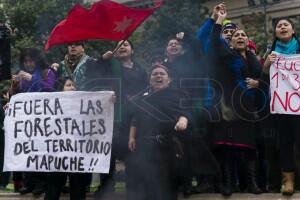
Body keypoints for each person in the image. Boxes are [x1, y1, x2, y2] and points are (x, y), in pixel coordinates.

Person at [208, 9, 263, 196]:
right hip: (230, 108)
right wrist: (219, 21)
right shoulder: (227, 56)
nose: (239, 36)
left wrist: (259, 83)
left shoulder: (255, 60)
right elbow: (215, 42)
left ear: (247, 41)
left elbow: (264, 79)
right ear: (230, 42)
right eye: (236, 35)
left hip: (249, 109)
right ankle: (229, 184)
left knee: (249, 148)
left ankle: (252, 183)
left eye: (243, 35)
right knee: (228, 147)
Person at [87, 40, 148, 198]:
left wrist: (138, 98)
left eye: (126, 44)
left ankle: (133, 188)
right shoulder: (108, 65)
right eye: (119, 45)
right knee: (109, 153)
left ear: (132, 50)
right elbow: (92, 77)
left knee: (132, 151)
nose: (122, 47)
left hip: (133, 116)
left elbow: (146, 89)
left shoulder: (140, 69)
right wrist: (103, 59)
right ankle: (107, 187)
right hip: (112, 116)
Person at [127, 64, 191, 200]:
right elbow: (135, 118)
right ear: (150, 79)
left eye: (162, 74)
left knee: (168, 182)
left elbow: (184, 112)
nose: (158, 76)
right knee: (147, 182)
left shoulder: (177, 95)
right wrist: (131, 137)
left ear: (169, 79)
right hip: (145, 145)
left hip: (168, 145)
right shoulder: (142, 98)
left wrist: (183, 121)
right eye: (155, 74)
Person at [262, 18, 300, 196]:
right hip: (282, 108)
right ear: (276, 32)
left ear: (293, 30)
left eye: (286, 25)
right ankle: (288, 181)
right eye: (279, 26)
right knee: (285, 143)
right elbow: (263, 75)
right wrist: (268, 63)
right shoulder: (271, 52)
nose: (282, 27)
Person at [11, 47, 56, 196]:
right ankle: (29, 183)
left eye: (31, 61)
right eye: (26, 61)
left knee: (41, 151)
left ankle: (41, 184)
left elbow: (50, 90)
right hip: (28, 121)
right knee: (28, 151)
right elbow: (17, 96)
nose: (29, 64)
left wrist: (33, 79)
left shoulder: (48, 72)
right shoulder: (23, 75)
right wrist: (15, 87)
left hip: (45, 120)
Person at [44, 77, 88, 200]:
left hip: (77, 152)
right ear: (60, 89)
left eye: (74, 85)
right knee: (53, 186)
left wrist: (108, 101)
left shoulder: (83, 103)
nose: (73, 87)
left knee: (78, 186)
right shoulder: (51, 105)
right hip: (57, 153)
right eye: (68, 85)